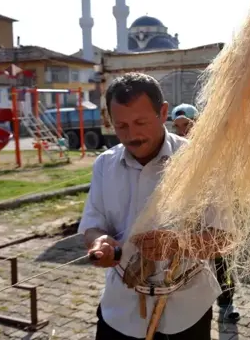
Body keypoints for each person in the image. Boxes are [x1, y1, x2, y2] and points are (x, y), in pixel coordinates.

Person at [78, 73, 232, 340]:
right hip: (120, 311)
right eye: (121, 126)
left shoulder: (200, 161)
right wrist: (99, 243)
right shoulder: (104, 164)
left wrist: (178, 244)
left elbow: (224, 238)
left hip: (186, 312)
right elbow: (93, 226)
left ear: (163, 113)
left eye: (140, 122)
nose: (132, 135)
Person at [171, 103, 241, 323]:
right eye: (178, 126)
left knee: (222, 259)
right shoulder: (176, 149)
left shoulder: (213, 144)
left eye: (187, 124)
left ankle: (227, 301)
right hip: (191, 214)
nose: (183, 130)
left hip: (216, 210)